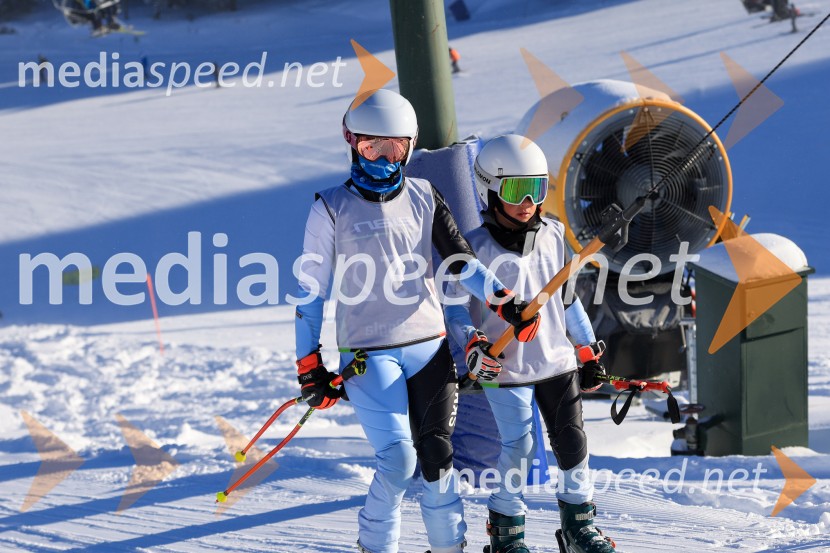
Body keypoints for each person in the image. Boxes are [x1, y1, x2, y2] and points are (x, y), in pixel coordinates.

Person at [293, 90, 540, 553]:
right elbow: (311, 296)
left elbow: (462, 262)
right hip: (368, 352)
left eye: (396, 148)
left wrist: (504, 301)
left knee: (438, 457)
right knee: (397, 460)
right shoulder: (329, 207)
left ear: (409, 146)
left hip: (428, 346)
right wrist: (310, 364)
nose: (385, 159)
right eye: (372, 147)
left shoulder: (426, 195)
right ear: (350, 141)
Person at [444, 134, 617, 553]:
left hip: (556, 362)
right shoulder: (471, 248)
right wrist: (472, 348)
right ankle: (505, 531)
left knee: (573, 443)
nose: (528, 202)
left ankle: (578, 527)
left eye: (536, 190)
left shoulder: (555, 233)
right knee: (519, 447)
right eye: (516, 191)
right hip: (505, 367)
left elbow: (568, 299)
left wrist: (587, 348)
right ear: (488, 190)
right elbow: (454, 313)